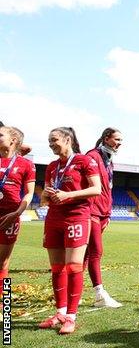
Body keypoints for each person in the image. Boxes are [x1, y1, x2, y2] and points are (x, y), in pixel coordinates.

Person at [39, 127, 102, 334]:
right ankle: (60, 312)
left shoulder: (84, 161)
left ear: (68, 139)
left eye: (54, 140)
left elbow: (96, 189)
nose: (51, 144)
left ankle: (71, 317)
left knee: (74, 266)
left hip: (76, 216)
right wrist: (47, 195)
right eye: (49, 141)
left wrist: (69, 195)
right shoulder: (52, 166)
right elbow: (45, 198)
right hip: (54, 218)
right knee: (57, 268)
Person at [84, 127, 123, 308]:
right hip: (92, 210)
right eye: (117, 139)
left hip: (102, 213)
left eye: (121, 141)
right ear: (106, 139)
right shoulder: (92, 156)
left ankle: (72, 290)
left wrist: (107, 213)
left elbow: (108, 187)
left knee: (86, 253)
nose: (119, 143)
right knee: (95, 252)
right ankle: (99, 294)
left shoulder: (108, 159)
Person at [0, 126, 36, 280]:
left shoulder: (26, 164)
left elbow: (29, 193)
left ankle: (4, 303)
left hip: (10, 215)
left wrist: (17, 213)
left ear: (13, 140)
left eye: (0, 135)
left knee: (3, 262)